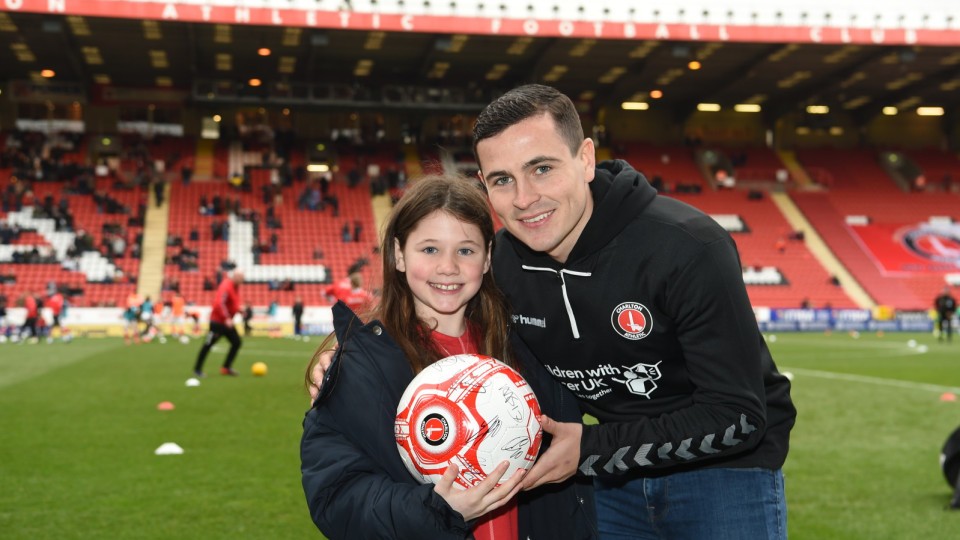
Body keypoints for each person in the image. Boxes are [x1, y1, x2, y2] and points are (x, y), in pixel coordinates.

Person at [311, 84, 795, 539]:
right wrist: (348, 354)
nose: (524, 199)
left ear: (585, 158)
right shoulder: (502, 262)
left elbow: (739, 415)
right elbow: (432, 294)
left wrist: (590, 449)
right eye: (503, 180)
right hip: (610, 480)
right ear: (485, 185)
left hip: (720, 472)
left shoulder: (688, 247)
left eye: (541, 168)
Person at [301, 174, 597, 540]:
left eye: (466, 251)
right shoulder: (361, 366)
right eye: (429, 249)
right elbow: (336, 499)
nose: (448, 267)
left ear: (487, 258)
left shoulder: (526, 347)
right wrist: (438, 511)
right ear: (399, 254)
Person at [193, 270, 244, 377]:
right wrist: (226, 318)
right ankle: (197, 369)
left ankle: (226, 367)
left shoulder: (236, 287)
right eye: (240, 277)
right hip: (218, 323)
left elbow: (232, 303)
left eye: (243, 277)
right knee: (208, 345)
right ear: (235, 276)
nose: (242, 279)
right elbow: (219, 303)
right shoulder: (226, 286)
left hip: (227, 323)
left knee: (236, 342)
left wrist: (239, 310)